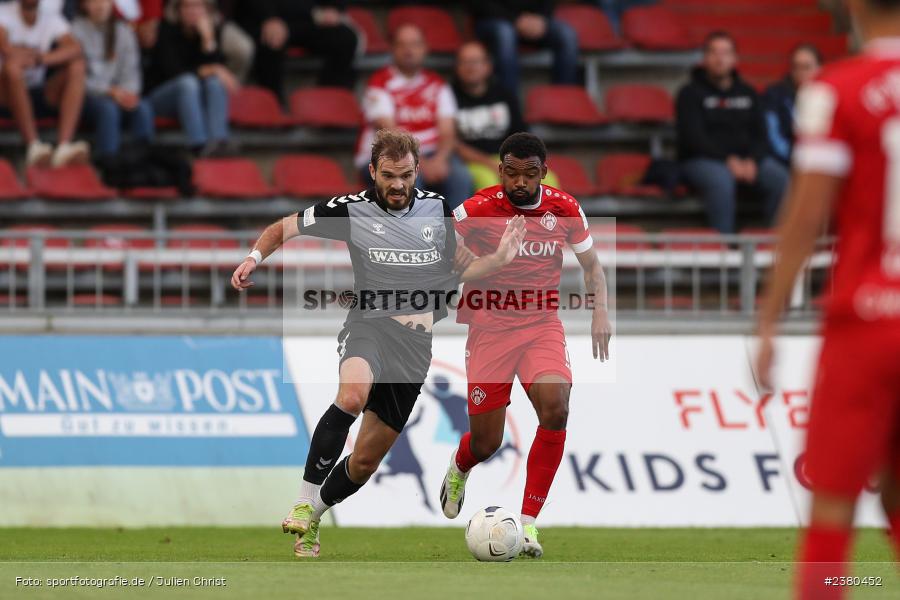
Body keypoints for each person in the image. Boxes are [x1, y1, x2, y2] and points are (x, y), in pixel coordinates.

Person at [230, 129, 525, 558]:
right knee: (351, 396)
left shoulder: (437, 209)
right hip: (368, 325)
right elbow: (285, 227)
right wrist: (253, 257)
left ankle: (314, 517)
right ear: (373, 171)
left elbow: (458, 270)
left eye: (406, 175)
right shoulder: (351, 210)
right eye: (389, 175)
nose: (398, 184)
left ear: (417, 171)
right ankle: (303, 498)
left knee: (365, 462)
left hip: (414, 348)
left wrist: (497, 260)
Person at [755, 1, 900, 597]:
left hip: (866, 321)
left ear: (854, 5)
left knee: (833, 509)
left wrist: (768, 321)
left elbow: (806, 215)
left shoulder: (837, 89)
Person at [438, 132, 613, 558]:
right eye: (512, 173)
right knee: (487, 442)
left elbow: (592, 265)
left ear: (543, 172)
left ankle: (529, 525)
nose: (520, 182)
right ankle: (460, 466)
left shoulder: (564, 208)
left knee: (556, 407)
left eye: (529, 174)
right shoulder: (476, 209)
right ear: (500, 171)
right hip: (489, 329)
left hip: (540, 326)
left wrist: (600, 311)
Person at [676, 31, 789, 233]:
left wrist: (753, 160)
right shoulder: (689, 94)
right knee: (721, 180)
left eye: (725, 53)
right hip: (702, 160)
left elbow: (761, 135)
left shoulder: (748, 93)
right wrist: (728, 160)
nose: (720, 59)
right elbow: (694, 138)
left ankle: (775, 243)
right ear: (705, 58)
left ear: (735, 58)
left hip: (747, 161)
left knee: (781, 179)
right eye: (714, 52)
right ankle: (724, 246)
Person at [356, 23, 472, 208]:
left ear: (425, 48)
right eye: (402, 44)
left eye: (415, 44)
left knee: (461, 177)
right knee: (409, 178)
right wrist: (422, 164)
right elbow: (390, 134)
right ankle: (413, 228)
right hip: (387, 155)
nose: (408, 50)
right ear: (392, 49)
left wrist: (440, 159)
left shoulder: (437, 84)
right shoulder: (379, 83)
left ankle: (455, 227)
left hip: (432, 154)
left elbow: (448, 132)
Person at [453, 40, 560, 191]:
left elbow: (521, 136)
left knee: (549, 180)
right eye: (465, 62)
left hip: (507, 159)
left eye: (476, 61)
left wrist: (515, 164)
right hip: (471, 163)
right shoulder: (449, 97)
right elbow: (453, 144)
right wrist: (490, 164)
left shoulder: (504, 95)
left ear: (488, 66)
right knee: (490, 184)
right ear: (457, 67)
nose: (471, 67)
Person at [0, 0, 89, 167]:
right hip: (6, 94)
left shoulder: (51, 18)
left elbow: (76, 48)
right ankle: (33, 146)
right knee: (13, 68)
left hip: (37, 91)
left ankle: (64, 146)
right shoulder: (3, 13)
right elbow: (5, 49)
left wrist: (40, 59)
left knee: (77, 66)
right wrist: (27, 58)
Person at [145, 0, 237, 156]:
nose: (192, 11)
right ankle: (198, 145)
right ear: (178, 9)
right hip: (161, 97)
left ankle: (219, 141)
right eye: (187, 6)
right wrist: (211, 69)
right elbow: (173, 71)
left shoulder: (211, 30)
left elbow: (217, 67)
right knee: (187, 83)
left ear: (207, 10)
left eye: (198, 6)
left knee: (214, 82)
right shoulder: (165, 29)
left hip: (193, 99)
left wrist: (208, 40)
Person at [221, 0, 358, 102]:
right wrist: (268, 17)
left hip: (306, 18)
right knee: (271, 40)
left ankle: (329, 102)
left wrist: (334, 8)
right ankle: (273, 104)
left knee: (345, 38)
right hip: (262, 19)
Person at [73, 0, 154, 158]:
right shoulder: (75, 30)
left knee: (143, 107)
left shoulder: (124, 31)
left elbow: (132, 73)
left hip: (119, 94)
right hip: (88, 96)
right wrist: (109, 91)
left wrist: (126, 94)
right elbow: (77, 79)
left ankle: (144, 160)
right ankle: (108, 160)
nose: (100, 5)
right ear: (84, 5)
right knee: (108, 109)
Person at [467, 0, 578, 96]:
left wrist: (541, 19)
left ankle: (564, 102)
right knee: (505, 34)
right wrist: (514, 20)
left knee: (567, 34)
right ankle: (509, 102)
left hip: (534, 20)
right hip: (493, 19)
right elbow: (480, 4)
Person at [763, 43, 822, 167]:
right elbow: (773, 136)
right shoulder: (775, 94)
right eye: (796, 67)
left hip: (820, 160)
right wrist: (796, 158)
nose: (801, 72)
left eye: (806, 67)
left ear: (820, 68)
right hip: (784, 160)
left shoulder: (828, 96)